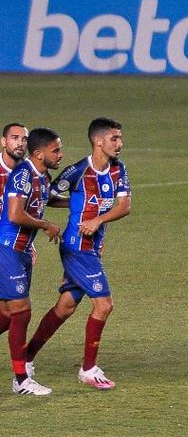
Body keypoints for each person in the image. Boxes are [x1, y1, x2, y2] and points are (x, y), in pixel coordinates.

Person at [24, 118, 131, 390]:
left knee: (66, 306)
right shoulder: (78, 171)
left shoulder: (118, 170)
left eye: (119, 139)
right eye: (114, 139)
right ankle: (88, 369)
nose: (120, 144)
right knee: (104, 305)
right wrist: (79, 209)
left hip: (93, 245)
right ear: (98, 141)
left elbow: (125, 206)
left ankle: (25, 357)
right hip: (77, 245)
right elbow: (47, 195)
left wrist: (97, 220)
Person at [0, 127, 63, 395]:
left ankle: (20, 376)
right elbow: (14, 214)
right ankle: (21, 379)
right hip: (8, 250)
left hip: (23, 252)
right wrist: (45, 224)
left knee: (5, 315)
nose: (60, 155)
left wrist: (80, 203)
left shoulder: (42, 175)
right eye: (56, 150)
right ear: (39, 154)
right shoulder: (22, 175)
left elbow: (47, 198)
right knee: (22, 312)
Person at [0, 123, 30, 340]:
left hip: (11, 248)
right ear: (3, 141)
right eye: (14, 138)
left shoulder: (26, 174)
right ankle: (21, 373)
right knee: (18, 310)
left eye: (24, 139)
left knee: (10, 312)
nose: (20, 143)